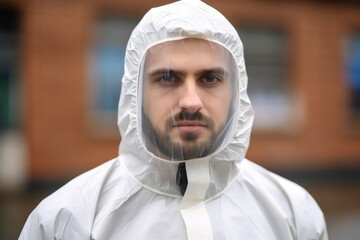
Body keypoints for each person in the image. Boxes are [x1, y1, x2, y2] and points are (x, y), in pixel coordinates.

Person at [19, 0, 328, 239]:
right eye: (167, 78)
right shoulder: (67, 221)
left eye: (209, 79)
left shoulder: (293, 215)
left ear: (237, 91)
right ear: (135, 92)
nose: (190, 102)